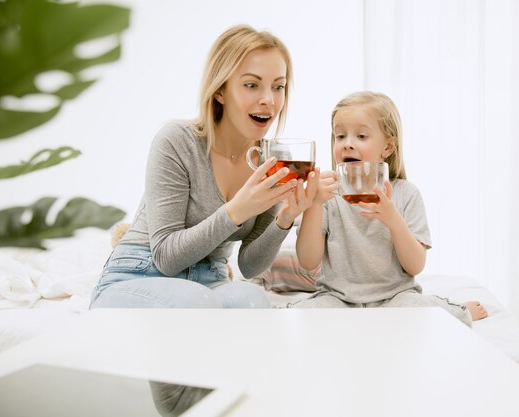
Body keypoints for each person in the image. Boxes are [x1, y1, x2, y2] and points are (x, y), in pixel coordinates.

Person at [90, 24, 319, 309]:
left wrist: (285, 219)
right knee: (197, 303)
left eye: (278, 86)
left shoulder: (267, 160)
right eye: (251, 85)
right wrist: (237, 210)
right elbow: (166, 257)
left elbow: (249, 266)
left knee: (253, 300)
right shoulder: (177, 140)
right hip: (138, 272)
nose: (269, 100)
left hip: (209, 279)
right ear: (220, 90)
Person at [293, 91, 488, 326]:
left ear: (388, 147)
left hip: (395, 299)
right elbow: (307, 261)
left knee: (425, 309)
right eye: (340, 136)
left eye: (361, 136)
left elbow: (415, 265)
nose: (347, 144)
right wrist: (314, 204)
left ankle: (456, 309)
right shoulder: (327, 195)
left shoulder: (407, 194)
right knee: (298, 315)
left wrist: (393, 220)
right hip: (338, 299)